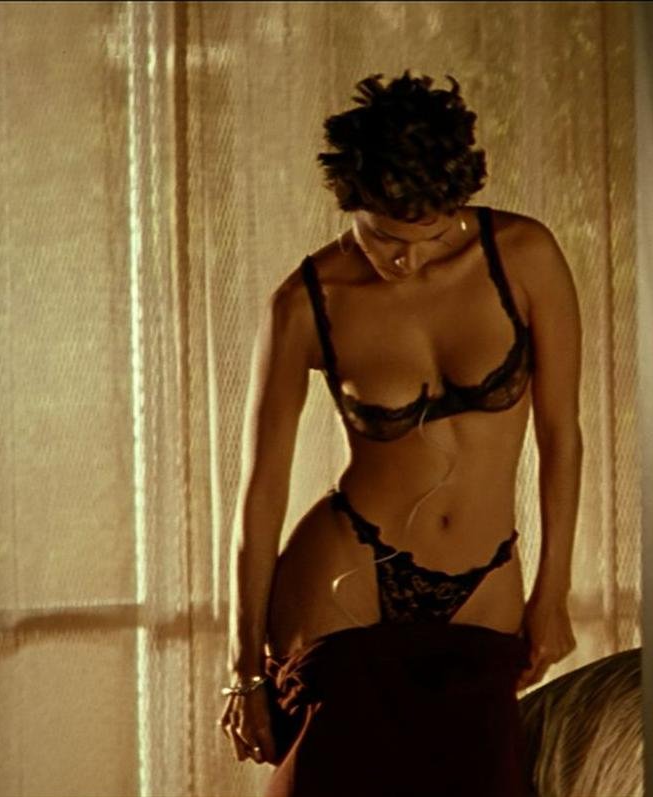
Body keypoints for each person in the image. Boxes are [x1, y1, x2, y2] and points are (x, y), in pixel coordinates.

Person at [219, 71, 583, 797]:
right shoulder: (305, 303)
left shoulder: (524, 256)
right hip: (344, 581)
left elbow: (561, 436)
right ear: (348, 198)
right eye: (383, 235)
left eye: (431, 235)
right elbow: (260, 494)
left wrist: (553, 591)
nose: (403, 260)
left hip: (485, 583)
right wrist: (243, 669)